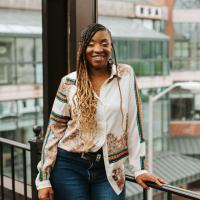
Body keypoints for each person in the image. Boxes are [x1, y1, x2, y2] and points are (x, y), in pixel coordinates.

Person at [36, 23, 165, 200]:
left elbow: (135, 124)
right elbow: (54, 129)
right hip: (69, 166)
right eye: (91, 44)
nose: (98, 49)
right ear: (83, 48)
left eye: (104, 43)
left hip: (110, 169)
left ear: (111, 46)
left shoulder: (125, 75)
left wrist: (139, 169)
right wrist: (43, 179)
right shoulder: (68, 83)